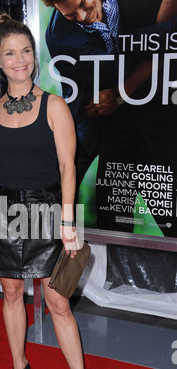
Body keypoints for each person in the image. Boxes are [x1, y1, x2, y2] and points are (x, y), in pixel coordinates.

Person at [0, 13, 99, 369]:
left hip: (47, 209)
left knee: (58, 300)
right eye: (10, 53)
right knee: (10, 293)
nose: (19, 59)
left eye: (26, 51)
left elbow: (68, 168)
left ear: (35, 56)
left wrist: (67, 222)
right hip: (3, 211)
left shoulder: (55, 105)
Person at [43, 0, 177, 236]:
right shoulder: (60, 37)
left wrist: (119, 93)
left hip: (160, 118)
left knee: (169, 214)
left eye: (84, 3)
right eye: (72, 15)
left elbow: (167, 43)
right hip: (109, 124)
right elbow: (97, 83)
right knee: (112, 217)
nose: (83, 16)